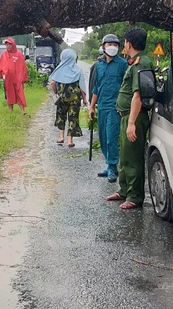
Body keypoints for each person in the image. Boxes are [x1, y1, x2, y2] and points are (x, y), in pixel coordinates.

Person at [106, 27, 153, 210]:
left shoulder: (141, 64)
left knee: (133, 158)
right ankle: (124, 190)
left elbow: (138, 95)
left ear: (129, 43)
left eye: (124, 42)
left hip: (134, 117)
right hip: (126, 116)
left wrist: (132, 123)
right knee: (125, 156)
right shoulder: (134, 63)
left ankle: (135, 196)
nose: (123, 45)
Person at [88, 34, 128, 183]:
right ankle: (109, 165)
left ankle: (112, 166)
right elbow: (96, 87)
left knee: (111, 137)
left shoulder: (123, 64)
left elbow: (127, 86)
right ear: (103, 46)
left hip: (115, 107)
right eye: (109, 44)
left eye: (116, 45)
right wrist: (91, 107)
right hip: (102, 106)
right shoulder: (99, 65)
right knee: (103, 138)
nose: (113, 47)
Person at [49, 49, 88, 147]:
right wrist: (85, 99)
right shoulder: (78, 70)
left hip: (62, 98)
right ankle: (70, 140)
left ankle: (61, 136)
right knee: (73, 118)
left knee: (61, 116)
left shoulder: (59, 69)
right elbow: (82, 86)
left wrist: (56, 93)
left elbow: (52, 83)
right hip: (75, 99)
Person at [0, 37, 30, 115]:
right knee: (9, 94)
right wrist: (2, 74)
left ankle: (23, 111)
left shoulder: (19, 55)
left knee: (20, 94)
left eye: (9, 44)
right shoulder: (4, 54)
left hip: (18, 79)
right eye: (6, 44)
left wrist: (22, 77)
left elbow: (23, 67)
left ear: (13, 45)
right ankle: (10, 111)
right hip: (8, 79)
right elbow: (0, 64)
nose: (8, 46)